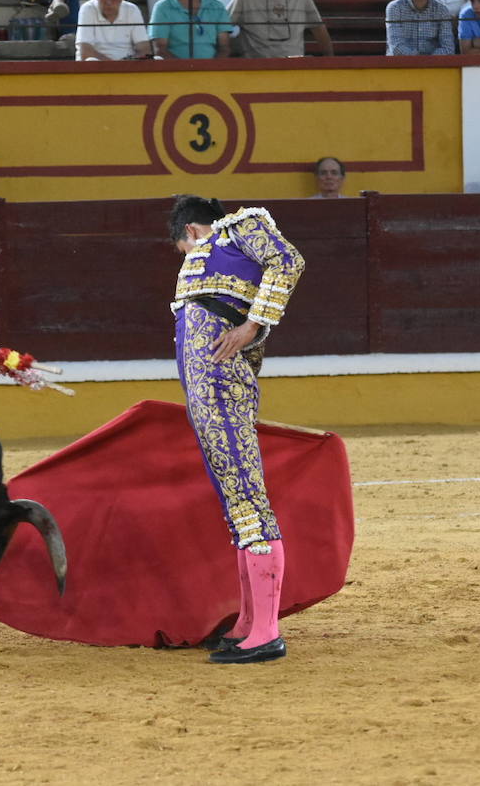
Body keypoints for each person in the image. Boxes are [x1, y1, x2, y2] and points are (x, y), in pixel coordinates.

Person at [168, 194, 304, 665]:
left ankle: (266, 631)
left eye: (183, 250)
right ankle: (249, 622)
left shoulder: (237, 227)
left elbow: (288, 261)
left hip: (223, 390)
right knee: (236, 504)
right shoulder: (216, 255)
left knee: (247, 500)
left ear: (190, 233)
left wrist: (252, 325)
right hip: (209, 397)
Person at [76, 0, 152, 60]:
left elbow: (144, 49)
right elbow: (86, 51)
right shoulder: (88, 9)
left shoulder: (132, 10)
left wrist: (126, 66)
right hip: (97, 68)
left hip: (127, 66)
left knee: (158, 59)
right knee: (90, 60)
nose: (109, 2)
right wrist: (114, 67)